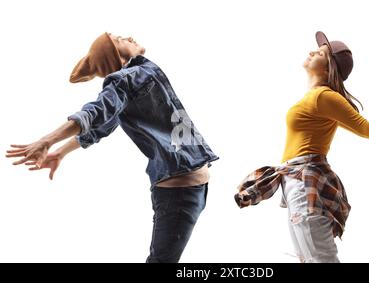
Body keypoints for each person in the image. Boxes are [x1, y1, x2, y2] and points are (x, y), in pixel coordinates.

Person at [5, 32, 219, 263]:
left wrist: (60, 153)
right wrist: (47, 141)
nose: (128, 36)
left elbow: (101, 127)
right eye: (119, 39)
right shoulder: (126, 79)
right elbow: (95, 113)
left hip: (191, 189)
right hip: (179, 193)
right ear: (115, 56)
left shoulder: (136, 78)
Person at [235, 31, 369, 263]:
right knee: (309, 259)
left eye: (321, 52)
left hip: (305, 182)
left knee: (320, 259)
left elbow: (364, 127)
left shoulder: (324, 97)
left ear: (329, 67)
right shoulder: (316, 97)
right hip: (296, 181)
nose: (312, 51)